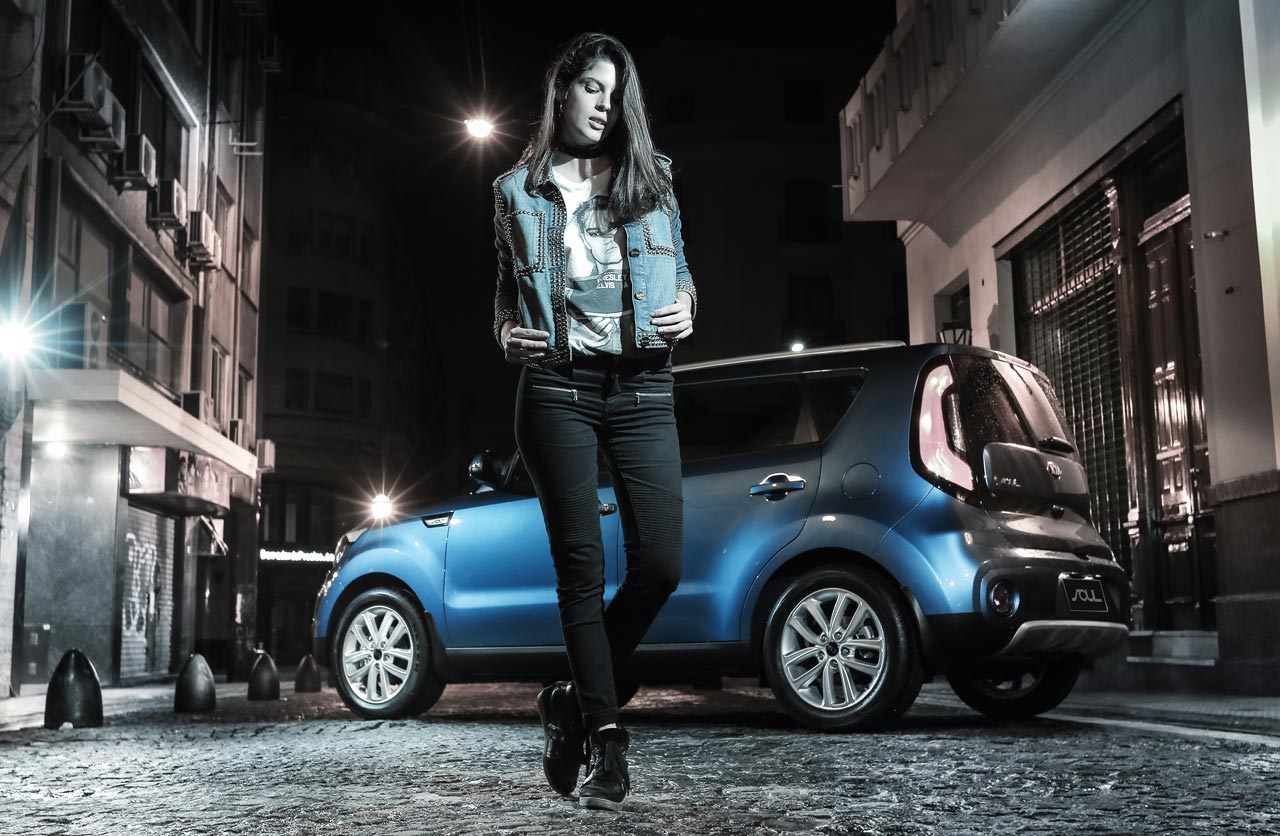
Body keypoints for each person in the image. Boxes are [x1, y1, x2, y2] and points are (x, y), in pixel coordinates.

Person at [490, 32, 697, 811]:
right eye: (593, 88)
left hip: (643, 384)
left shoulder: (654, 178)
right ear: (563, 89)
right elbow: (505, 288)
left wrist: (688, 306)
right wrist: (504, 333)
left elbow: (681, 272)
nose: (606, 105)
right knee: (580, 570)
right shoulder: (517, 190)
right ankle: (607, 744)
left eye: (617, 94)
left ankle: (570, 702)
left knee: (660, 566)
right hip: (556, 387)